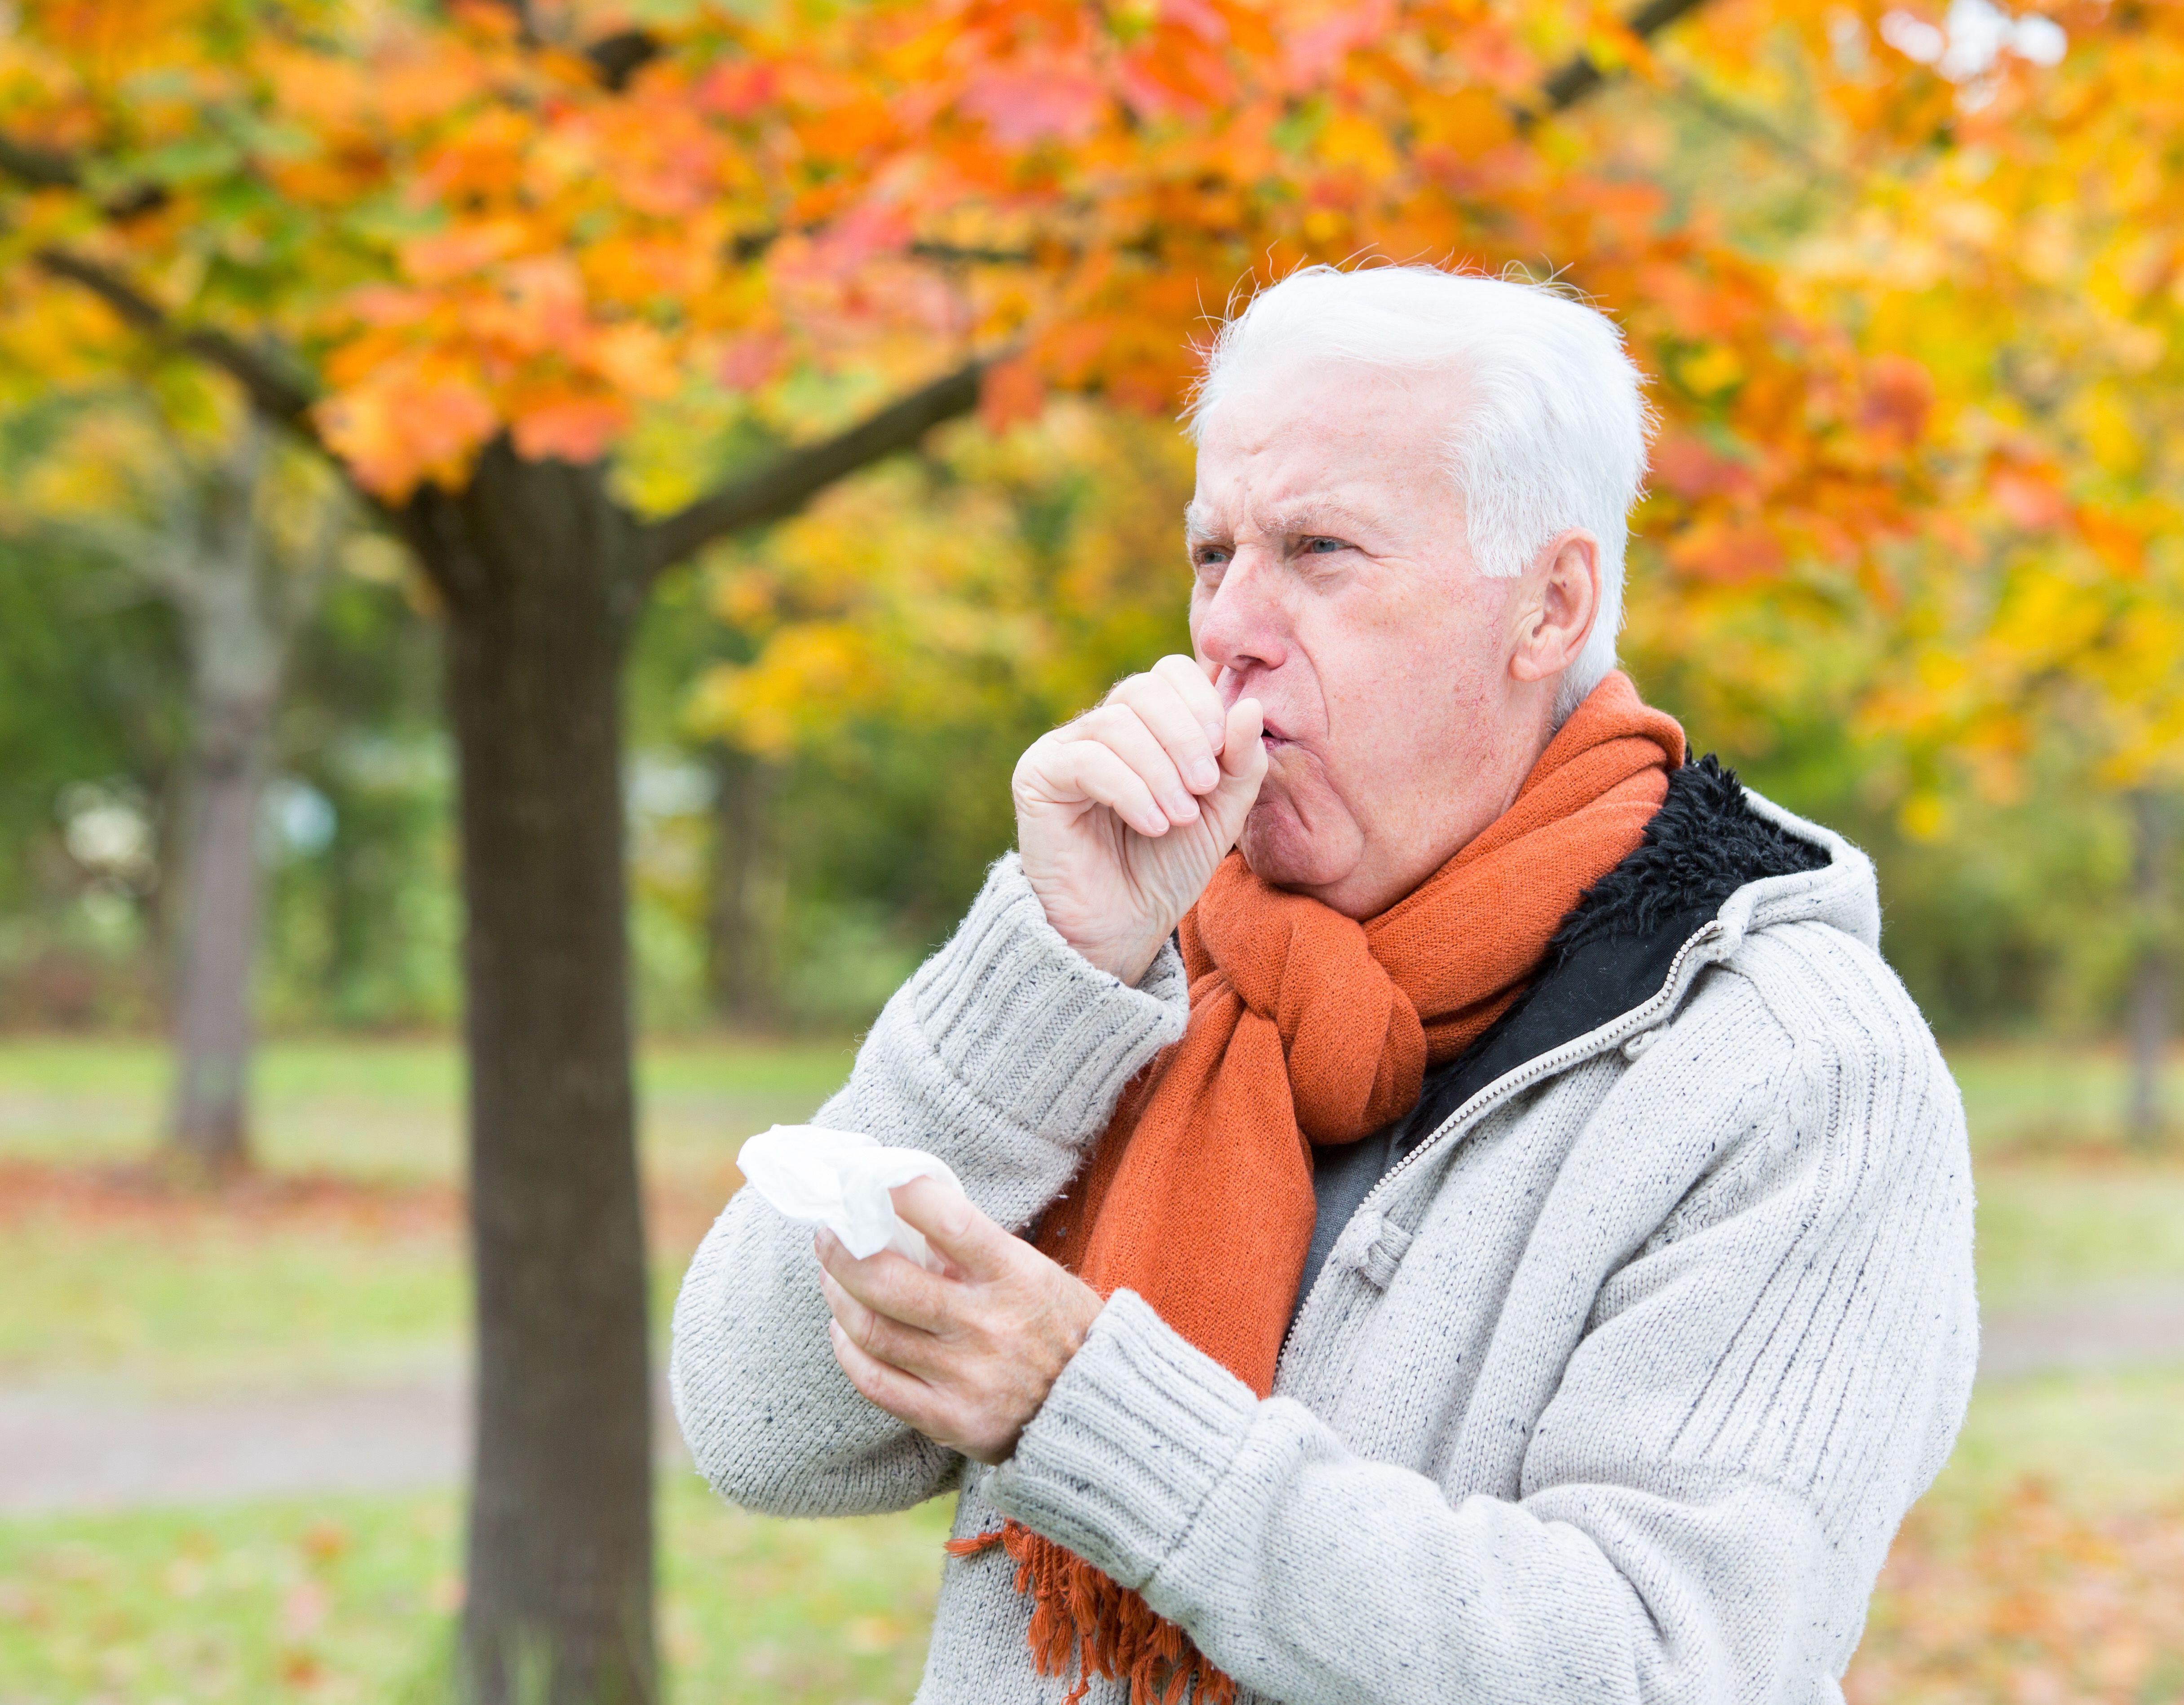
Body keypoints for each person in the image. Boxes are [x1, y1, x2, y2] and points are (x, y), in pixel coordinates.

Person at [671, 264, 1977, 1705]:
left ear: (1550, 607)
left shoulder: (1790, 1065)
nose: (1230, 621)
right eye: (1214, 552)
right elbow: (764, 1418)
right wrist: (1046, 961)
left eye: (1322, 550)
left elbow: (1665, 1665)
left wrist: (1091, 1413)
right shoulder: (1144, 952)